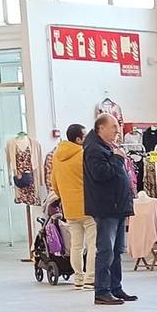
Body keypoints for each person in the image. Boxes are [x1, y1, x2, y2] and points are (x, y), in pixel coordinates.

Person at [83, 112, 138, 307]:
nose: (117, 130)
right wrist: (117, 159)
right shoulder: (94, 149)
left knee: (116, 250)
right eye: (114, 126)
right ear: (101, 128)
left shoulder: (105, 147)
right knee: (106, 250)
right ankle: (102, 291)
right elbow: (101, 174)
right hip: (107, 208)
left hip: (117, 206)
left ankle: (115, 287)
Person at [49, 122, 97, 292]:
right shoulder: (84, 155)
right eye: (84, 136)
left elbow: (54, 184)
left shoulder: (56, 156)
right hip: (88, 205)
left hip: (69, 207)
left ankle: (78, 278)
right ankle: (90, 279)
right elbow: (93, 179)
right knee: (92, 244)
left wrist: (64, 196)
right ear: (78, 139)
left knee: (76, 245)